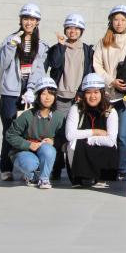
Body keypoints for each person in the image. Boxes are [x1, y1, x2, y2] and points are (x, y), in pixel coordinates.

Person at [0, 3, 49, 182]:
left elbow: (39, 69)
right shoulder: (9, 39)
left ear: (37, 22)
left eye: (32, 19)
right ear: (20, 20)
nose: (29, 22)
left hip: (30, 91)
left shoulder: (41, 45)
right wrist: (11, 46)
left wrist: (32, 88)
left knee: (31, 131)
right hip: (10, 92)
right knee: (9, 130)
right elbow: (2, 63)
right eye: (26, 18)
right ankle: (6, 168)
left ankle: (29, 169)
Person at [92, 5, 126, 180]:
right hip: (106, 96)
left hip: (124, 98)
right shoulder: (102, 42)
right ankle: (105, 168)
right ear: (111, 21)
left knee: (122, 135)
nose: (119, 23)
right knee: (103, 133)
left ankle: (122, 168)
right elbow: (97, 65)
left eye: (123, 20)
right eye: (116, 19)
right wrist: (110, 81)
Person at [45, 12, 94, 180]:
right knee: (59, 134)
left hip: (78, 98)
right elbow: (55, 64)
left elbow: (89, 72)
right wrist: (60, 46)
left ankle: (74, 169)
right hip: (60, 97)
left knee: (75, 134)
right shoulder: (57, 48)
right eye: (69, 28)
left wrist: (82, 93)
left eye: (76, 28)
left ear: (81, 31)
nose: (72, 31)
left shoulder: (87, 50)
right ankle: (56, 168)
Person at [4, 76, 64, 189]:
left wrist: (54, 141)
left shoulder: (59, 117)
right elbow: (10, 135)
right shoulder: (27, 116)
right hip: (24, 151)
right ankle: (30, 175)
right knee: (30, 163)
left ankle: (44, 179)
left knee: (49, 150)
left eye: (51, 94)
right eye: (44, 94)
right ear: (38, 96)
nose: (47, 97)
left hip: (44, 151)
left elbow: (64, 137)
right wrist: (28, 144)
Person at [65, 73, 119, 189]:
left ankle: (102, 177)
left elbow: (110, 140)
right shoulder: (76, 109)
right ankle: (79, 176)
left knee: (110, 146)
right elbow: (69, 135)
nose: (92, 96)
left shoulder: (110, 111)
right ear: (83, 94)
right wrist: (95, 132)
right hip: (82, 150)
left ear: (102, 93)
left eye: (96, 92)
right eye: (88, 92)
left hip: (100, 149)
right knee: (73, 144)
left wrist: (90, 139)